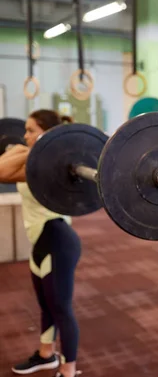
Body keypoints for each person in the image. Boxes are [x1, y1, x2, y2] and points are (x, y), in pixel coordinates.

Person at [0, 110, 81, 377]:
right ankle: (46, 354)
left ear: (46, 132)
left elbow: (2, 169)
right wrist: (35, 145)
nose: (24, 136)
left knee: (61, 308)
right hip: (40, 241)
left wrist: (45, 146)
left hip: (57, 239)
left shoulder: (50, 165)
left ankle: (68, 371)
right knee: (46, 304)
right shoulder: (34, 157)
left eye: (31, 130)